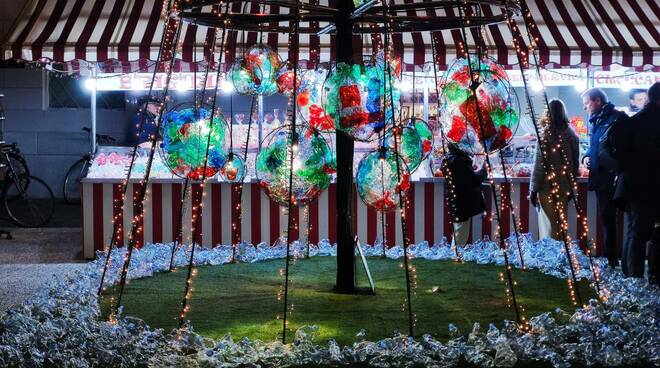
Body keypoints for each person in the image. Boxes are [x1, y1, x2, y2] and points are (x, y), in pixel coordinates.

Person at [611, 82, 660, 280]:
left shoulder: (636, 120)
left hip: (634, 185)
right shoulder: (649, 122)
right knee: (640, 232)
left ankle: (632, 275)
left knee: (635, 231)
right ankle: (636, 277)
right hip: (645, 185)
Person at [581, 88, 628, 269]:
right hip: (602, 177)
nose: (585, 108)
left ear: (598, 101)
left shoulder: (617, 119)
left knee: (611, 219)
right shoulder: (598, 120)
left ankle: (612, 257)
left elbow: (618, 150)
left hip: (612, 177)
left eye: (587, 103)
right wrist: (586, 157)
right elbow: (595, 146)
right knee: (607, 218)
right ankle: (611, 256)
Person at [530, 99, 580, 241]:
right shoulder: (571, 135)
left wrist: (533, 190)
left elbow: (539, 166)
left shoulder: (546, 135)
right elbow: (575, 164)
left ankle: (550, 256)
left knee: (550, 225)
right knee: (559, 224)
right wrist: (571, 185)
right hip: (564, 187)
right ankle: (560, 252)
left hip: (547, 187)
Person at [441, 143, 487, 247]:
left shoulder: (450, 158)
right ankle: (456, 256)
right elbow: (473, 180)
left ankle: (456, 254)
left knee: (460, 230)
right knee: (461, 233)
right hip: (462, 201)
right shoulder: (459, 161)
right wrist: (484, 170)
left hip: (457, 200)